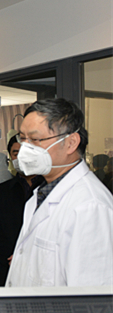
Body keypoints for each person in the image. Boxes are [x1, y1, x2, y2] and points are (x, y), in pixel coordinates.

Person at [6, 98, 113, 287]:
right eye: (23, 139)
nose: (25, 148)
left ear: (71, 143)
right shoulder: (42, 193)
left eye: (35, 140)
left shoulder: (90, 207)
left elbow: (91, 295)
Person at [0, 135, 44, 286]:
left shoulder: (50, 188)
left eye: (25, 152)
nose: (20, 157)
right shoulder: (0, 192)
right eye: (16, 153)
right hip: (8, 267)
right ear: (10, 157)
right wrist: (15, 255)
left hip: (43, 266)